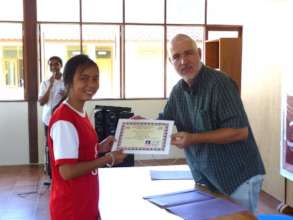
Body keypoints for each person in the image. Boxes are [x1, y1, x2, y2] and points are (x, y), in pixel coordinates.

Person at [160, 34, 265, 213]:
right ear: (171, 62)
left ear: (199, 53)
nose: (183, 61)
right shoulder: (178, 91)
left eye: (188, 53)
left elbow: (239, 132)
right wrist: (142, 125)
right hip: (206, 178)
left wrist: (192, 138)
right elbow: (164, 123)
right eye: (176, 57)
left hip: (237, 176)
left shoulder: (220, 83)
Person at [48, 54, 126, 220]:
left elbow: (79, 150)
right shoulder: (64, 119)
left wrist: (100, 147)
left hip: (85, 202)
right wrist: (108, 158)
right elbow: (67, 171)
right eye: (84, 78)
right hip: (71, 209)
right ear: (69, 81)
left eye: (95, 78)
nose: (91, 84)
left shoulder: (80, 111)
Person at [38, 56, 65, 180]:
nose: (54, 67)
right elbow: (42, 102)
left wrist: (60, 104)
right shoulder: (45, 82)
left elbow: (69, 98)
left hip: (62, 120)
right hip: (48, 120)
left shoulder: (67, 82)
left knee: (61, 144)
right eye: (51, 65)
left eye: (56, 64)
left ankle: (62, 170)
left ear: (61, 65)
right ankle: (51, 172)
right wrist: (50, 85)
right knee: (49, 146)